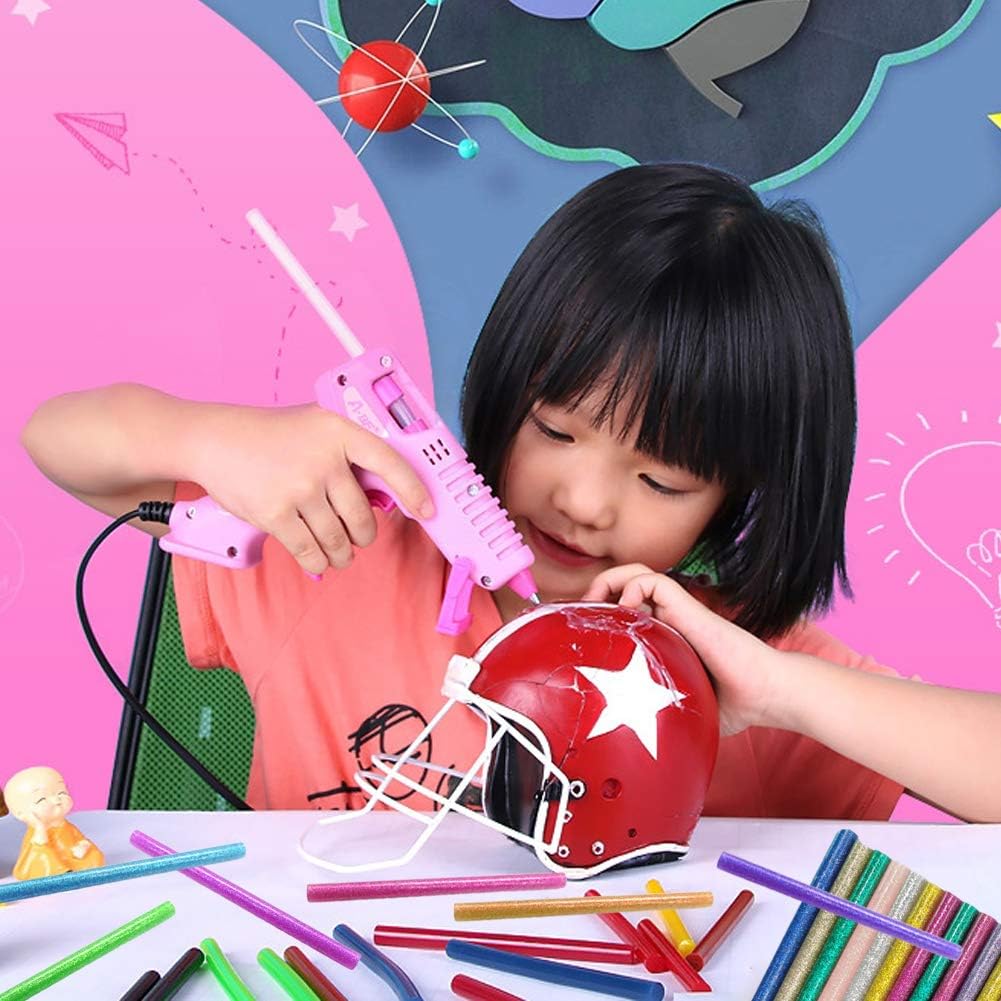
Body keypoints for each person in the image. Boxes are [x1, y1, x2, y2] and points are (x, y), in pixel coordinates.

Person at [22, 164, 1001, 821]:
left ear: (736, 494)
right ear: (501, 380)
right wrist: (218, 437)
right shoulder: (338, 542)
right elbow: (54, 439)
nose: (584, 499)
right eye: (555, 430)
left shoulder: (740, 656)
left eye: (660, 477)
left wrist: (780, 693)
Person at [3, 766, 104, 880]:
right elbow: (40, 844)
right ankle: (59, 873)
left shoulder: (67, 826)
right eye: (41, 799)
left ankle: (69, 869)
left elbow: (81, 839)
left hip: (69, 857)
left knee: (94, 855)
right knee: (44, 856)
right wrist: (39, 826)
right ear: (20, 814)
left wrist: (82, 846)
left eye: (61, 793)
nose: (57, 801)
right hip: (46, 860)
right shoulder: (37, 832)